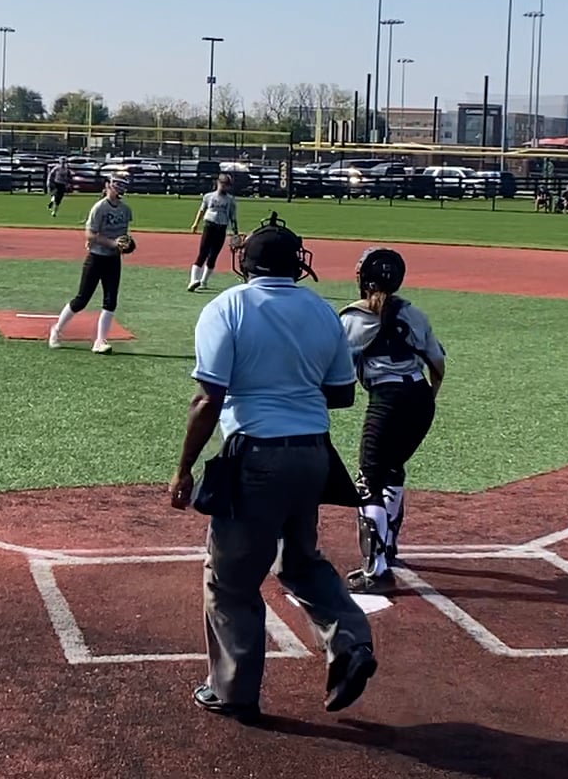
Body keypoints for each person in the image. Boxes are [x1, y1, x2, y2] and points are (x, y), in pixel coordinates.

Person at [170, 212, 376, 721]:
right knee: (300, 562)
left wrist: (184, 468)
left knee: (230, 580)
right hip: (313, 456)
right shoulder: (322, 311)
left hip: (256, 456)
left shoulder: (228, 307)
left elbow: (208, 398)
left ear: (246, 264)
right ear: (296, 264)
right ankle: (350, 640)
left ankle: (233, 691)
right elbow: (342, 395)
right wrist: (293, 380)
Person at [338, 247, 446, 593]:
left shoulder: (352, 318)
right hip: (419, 398)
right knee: (392, 468)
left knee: (368, 480)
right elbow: (438, 364)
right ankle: (389, 546)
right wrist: (426, 400)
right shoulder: (413, 314)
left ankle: (376, 570)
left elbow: (335, 370)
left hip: (387, 400)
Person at [48, 175, 132, 353]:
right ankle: (56, 329)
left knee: (110, 301)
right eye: (116, 185)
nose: (118, 189)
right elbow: (90, 234)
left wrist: (126, 244)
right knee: (81, 300)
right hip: (96, 258)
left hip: (113, 259)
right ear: (108, 186)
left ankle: (100, 341)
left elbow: (123, 235)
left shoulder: (125, 210)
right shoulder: (100, 207)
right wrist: (112, 243)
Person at [187, 173, 240, 292]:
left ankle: (204, 281)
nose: (224, 187)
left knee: (213, 255)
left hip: (221, 228)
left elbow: (233, 217)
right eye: (223, 184)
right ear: (217, 183)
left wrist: (235, 232)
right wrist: (195, 224)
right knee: (203, 253)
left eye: (226, 185)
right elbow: (202, 210)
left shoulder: (230, 200)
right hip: (209, 225)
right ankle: (193, 280)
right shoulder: (208, 196)